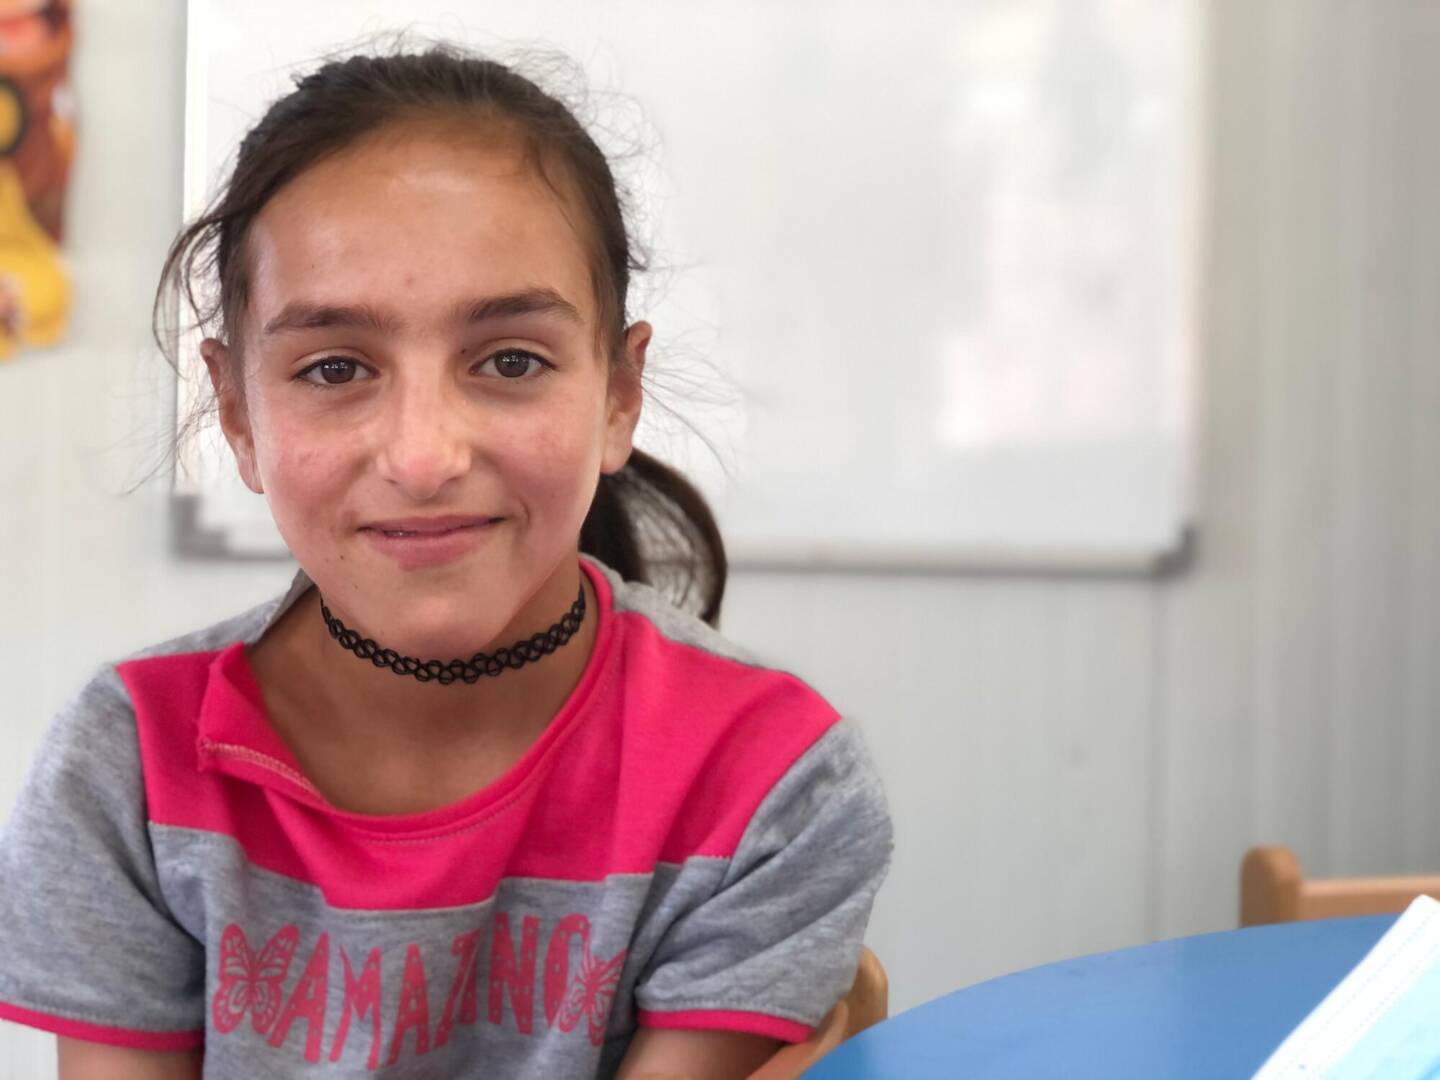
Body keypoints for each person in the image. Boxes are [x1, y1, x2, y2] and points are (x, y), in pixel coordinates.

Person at [0, 43, 892, 1080]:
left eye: (511, 361)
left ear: (616, 394)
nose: (424, 458)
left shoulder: (769, 782)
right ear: (237, 413)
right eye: (334, 367)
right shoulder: (134, 768)